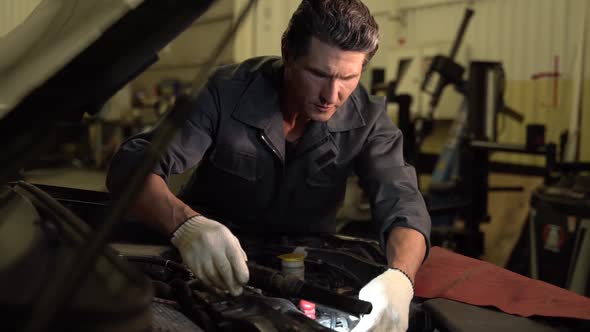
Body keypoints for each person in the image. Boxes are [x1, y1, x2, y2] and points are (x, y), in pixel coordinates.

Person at [107, 0, 431, 330]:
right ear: (288, 54)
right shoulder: (226, 92)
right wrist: (186, 227)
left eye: (348, 77)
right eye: (318, 74)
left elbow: (402, 203)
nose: (332, 95)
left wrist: (400, 278)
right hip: (212, 262)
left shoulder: (369, 118)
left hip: (306, 267)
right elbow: (131, 168)